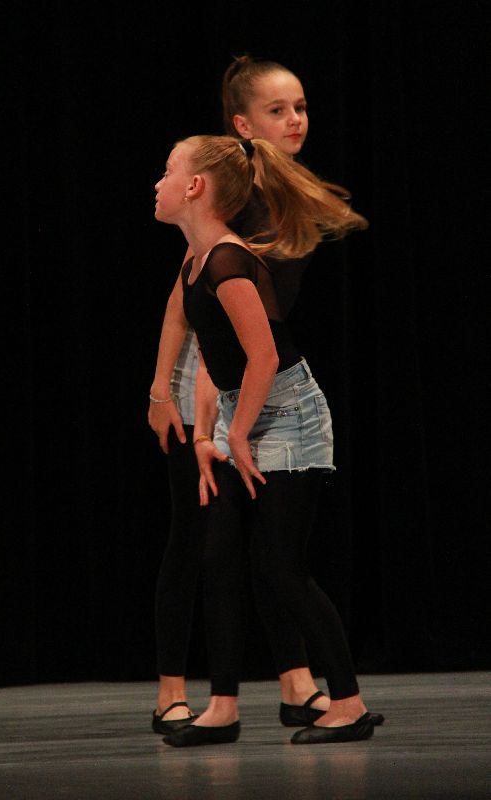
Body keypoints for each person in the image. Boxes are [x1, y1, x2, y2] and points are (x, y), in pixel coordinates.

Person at [149, 56, 383, 737]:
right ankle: (212, 698)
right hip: (221, 387)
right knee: (219, 544)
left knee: (272, 561)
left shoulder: (254, 215)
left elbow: (259, 351)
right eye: (278, 110)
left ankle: (308, 688)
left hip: (259, 391)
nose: (296, 120)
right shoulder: (221, 219)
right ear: (242, 125)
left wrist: (232, 427)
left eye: (300, 107)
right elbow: (192, 321)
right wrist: (174, 400)